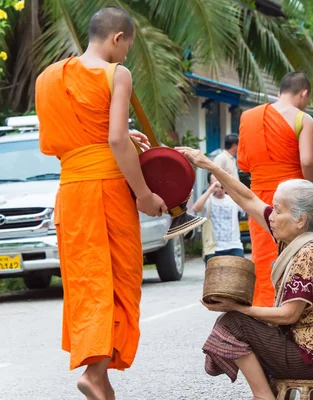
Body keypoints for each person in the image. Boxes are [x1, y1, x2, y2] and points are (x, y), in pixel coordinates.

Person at [36, 7, 168, 399]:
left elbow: (84, 137)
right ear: (118, 38)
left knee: (87, 281)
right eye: (127, 46)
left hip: (72, 191)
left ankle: (98, 374)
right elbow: (112, 141)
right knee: (118, 279)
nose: (126, 55)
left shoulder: (48, 78)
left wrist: (125, 137)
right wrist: (144, 194)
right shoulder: (116, 74)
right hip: (107, 190)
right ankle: (95, 373)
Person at [177, 147, 313, 400]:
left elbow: (289, 314)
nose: (272, 216)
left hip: (311, 359)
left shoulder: (308, 252)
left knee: (234, 321)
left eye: (278, 210)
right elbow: (248, 199)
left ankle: (262, 396)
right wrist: (210, 166)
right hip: (310, 353)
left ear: (300, 220)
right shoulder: (296, 238)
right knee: (237, 321)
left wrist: (238, 308)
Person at [238, 71, 313, 307]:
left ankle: (264, 312)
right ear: (304, 93)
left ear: (279, 92)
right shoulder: (303, 119)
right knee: (295, 255)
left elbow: (243, 162)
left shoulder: (249, 117)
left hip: (259, 198)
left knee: (264, 258)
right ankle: (293, 310)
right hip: (292, 200)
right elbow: (307, 161)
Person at [193, 174, 244, 262]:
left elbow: (247, 201)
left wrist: (229, 186)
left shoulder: (233, 199)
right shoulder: (208, 200)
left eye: (221, 182)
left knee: (239, 274)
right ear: (209, 185)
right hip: (213, 248)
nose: (219, 187)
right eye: (215, 183)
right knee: (213, 275)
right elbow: (196, 208)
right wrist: (210, 190)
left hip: (234, 247)